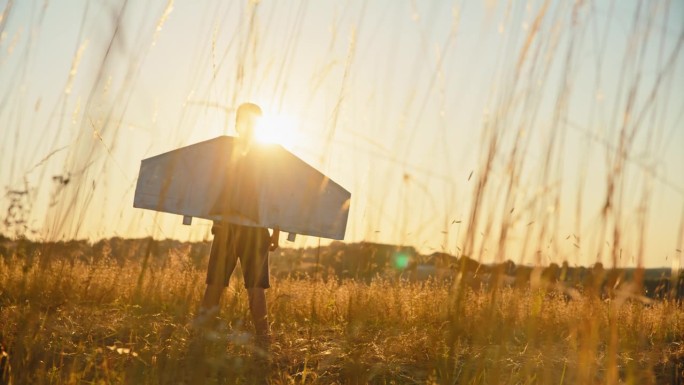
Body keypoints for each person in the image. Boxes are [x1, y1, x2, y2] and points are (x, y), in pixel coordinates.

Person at [197, 102, 280, 344]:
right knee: (218, 284)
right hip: (231, 228)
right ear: (238, 124)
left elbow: (274, 194)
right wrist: (275, 232)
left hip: (250, 230)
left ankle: (262, 337)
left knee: (251, 288)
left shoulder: (264, 155)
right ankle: (203, 336)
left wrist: (275, 231)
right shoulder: (227, 151)